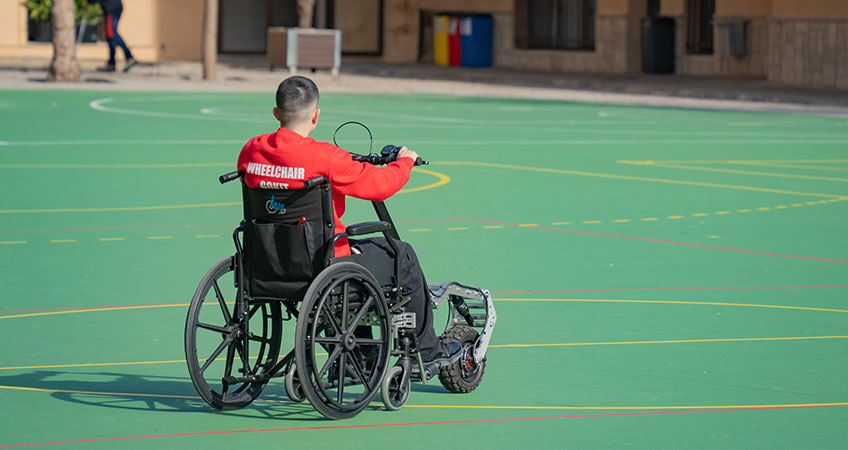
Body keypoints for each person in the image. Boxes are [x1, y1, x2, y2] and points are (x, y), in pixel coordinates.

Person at [237, 76, 460, 366]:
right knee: (400, 254)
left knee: (355, 261)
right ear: (316, 115)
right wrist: (404, 162)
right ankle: (428, 352)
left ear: (277, 114)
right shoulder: (325, 157)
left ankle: (359, 358)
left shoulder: (251, 150)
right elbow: (379, 186)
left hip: (267, 260)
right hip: (321, 262)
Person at [94, 0, 137, 72]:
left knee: (112, 34)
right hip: (115, 7)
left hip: (111, 8)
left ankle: (129, 57)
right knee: (110, 36)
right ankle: (111, 63)